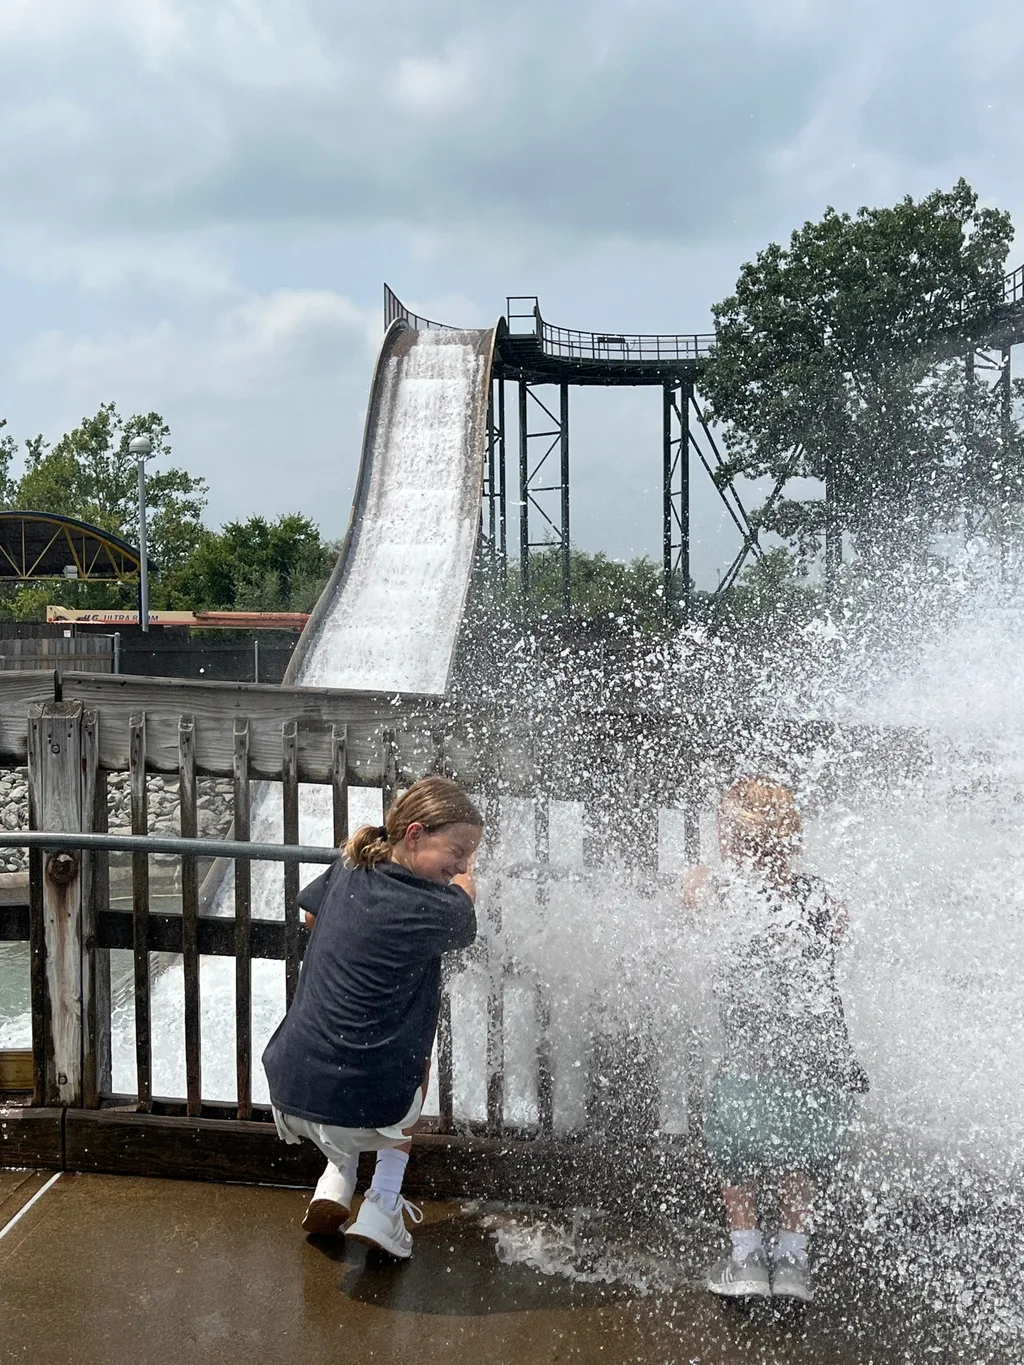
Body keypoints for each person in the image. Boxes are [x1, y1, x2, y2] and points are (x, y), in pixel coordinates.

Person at [263, 775, 482, 1260]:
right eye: (459, 850)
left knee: (350, 1038)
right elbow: (465, 914)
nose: (463, 863)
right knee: (408, 1060)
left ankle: (335, 1181)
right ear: (416, 833)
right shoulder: (438, 906)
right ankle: (382, 1205)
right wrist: (465, 886)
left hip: (289, 1089)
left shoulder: (352, 862)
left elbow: (311, 918)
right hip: (363, 1106)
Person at [682, 777, 867, 1304]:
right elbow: (837, 937)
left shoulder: (715, 886)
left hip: (752, 1058)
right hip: (823, 1061)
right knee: (800, 1153)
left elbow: (689, 915)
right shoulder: (820, 894)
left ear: (731, 837)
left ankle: (745, 1259)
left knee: (734, 1147)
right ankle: (791, 1263)